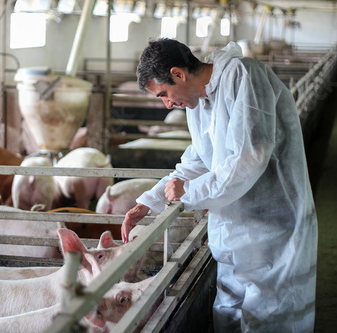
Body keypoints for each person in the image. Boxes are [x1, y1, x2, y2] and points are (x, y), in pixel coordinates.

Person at [121, 38, 318, 333]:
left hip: (273, 231)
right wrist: (150, 201)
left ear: (178, 74)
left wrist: (188, 193)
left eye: (164, 94)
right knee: (230, 316)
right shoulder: (198, 104)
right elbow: (199, 158)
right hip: (234, 232)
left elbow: (251, 157)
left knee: (270, 318)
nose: (167, 104)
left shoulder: (243, 76)